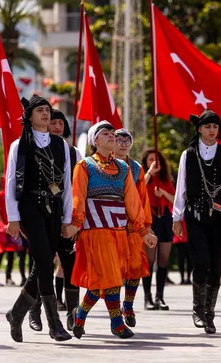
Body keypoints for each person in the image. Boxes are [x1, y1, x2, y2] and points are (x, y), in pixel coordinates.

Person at [64, 120, 158, 339]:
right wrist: (75, 224)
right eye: (106, 134)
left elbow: (133, 202)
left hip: (119, 231)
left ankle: (79, 315)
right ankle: (117, 322)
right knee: (113, 277)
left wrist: (144, 232)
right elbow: (78, 197)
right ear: (95, 141)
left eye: (113, 134)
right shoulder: (85, 165)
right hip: (95, 230)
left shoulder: (124, 168)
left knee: (101, 282)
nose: (112, 137)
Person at [4, 95, 73, 343]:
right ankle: (55, 325)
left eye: (47, 110)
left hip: (54, 207)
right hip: (30, 207)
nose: (46, 114)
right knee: (44, 261)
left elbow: (66, 183)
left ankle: (16, 313)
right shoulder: (19, 144)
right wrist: (13, 217)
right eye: (40, 111)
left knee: (42, 265)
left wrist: (68, 216)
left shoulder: (60, 144)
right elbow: (11, 181)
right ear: (30, 116)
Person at [172, 110, 221, 334]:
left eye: (215, 127)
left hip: (218, 217)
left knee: (216, 265)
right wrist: (177, 216)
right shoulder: (188, 154)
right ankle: (197, 310)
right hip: (194, 215)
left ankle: (209, 315)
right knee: (200, 261)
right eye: (208, 126)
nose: (212, 131)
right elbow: (181, 186)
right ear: (199, 128)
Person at [27, 108, 83, 333]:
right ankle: (33, 309)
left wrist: (74, 220)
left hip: (67, 217)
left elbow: (77, 189)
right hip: (43, 216)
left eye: (61, 123)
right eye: (54, 122)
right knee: (42, 266)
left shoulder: (73, 152)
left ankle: (72, 314)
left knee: (71, 265)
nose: (58, 127)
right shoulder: (34, 149)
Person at [114, 128, 153, 324]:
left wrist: (145, 225)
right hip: (110, 221)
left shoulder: (136, 167)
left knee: (135, 266)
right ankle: (112, 311)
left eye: (126, 140)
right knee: (113, 268)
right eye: (118, 140)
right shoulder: (103, 165)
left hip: (133, 223)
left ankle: (128, 306)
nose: (122, 143)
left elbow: (143, 197)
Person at [142, 147, 175, 309]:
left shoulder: (165, 179)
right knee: (149, 260)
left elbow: (174, 199)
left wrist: (162, 192)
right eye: (150, 159)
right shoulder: (143, 177)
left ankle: (160, 297)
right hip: (150, 220)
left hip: (165, 220)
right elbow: (138, 190)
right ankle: (147, 297)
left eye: (157, 159)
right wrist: (149, 173)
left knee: (163, 259)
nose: (154, 162)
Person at [0, 174, 21, 286]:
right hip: (3, 229)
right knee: (0, 253)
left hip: (12, 228)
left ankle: (8, 277)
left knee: (10, 254)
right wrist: (3, 225)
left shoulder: (15, 194)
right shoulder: (0, 195)